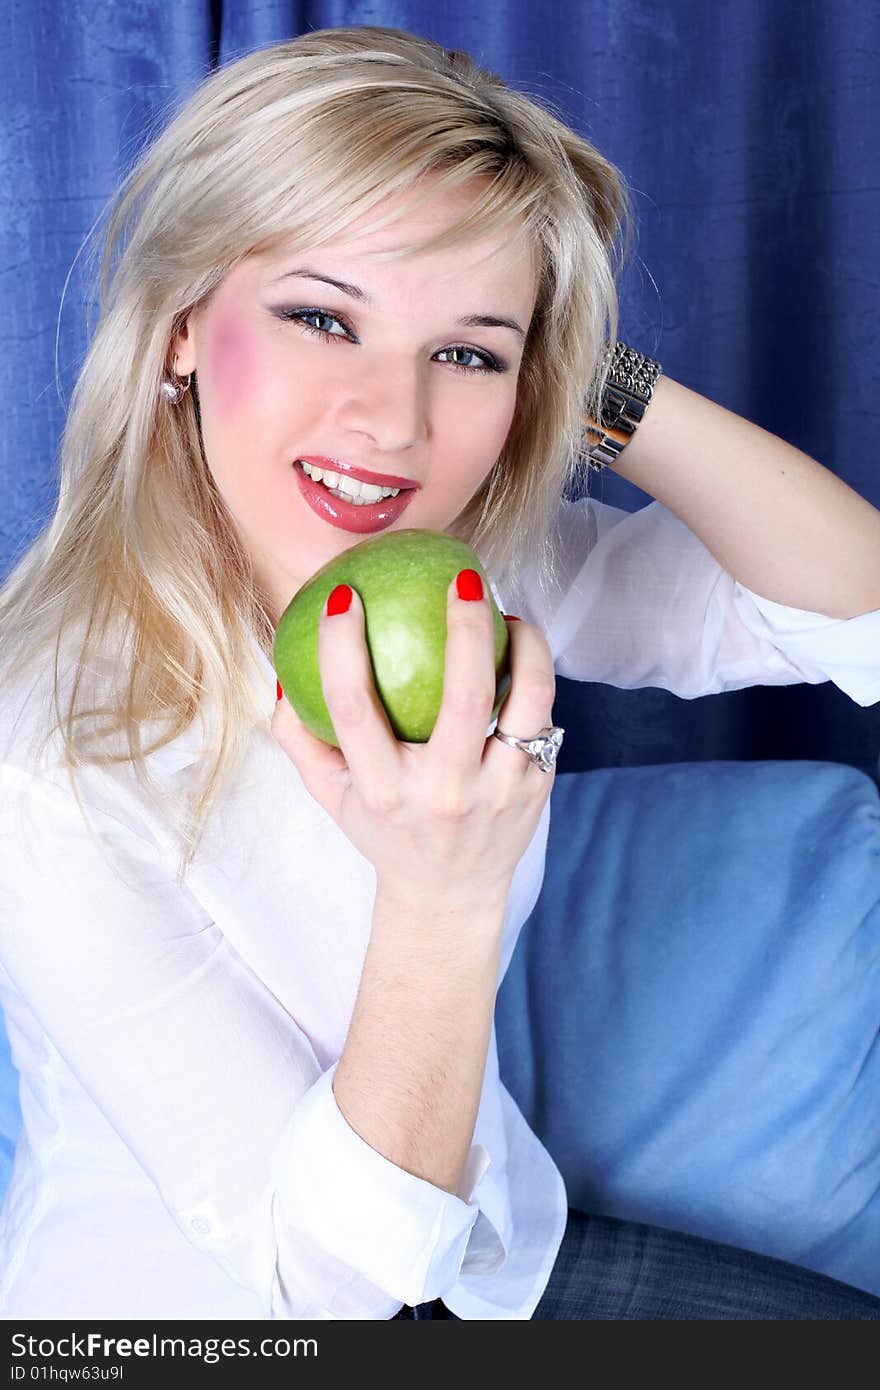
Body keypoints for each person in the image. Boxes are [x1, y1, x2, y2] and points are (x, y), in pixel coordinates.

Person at [0, 25, 878, 1322]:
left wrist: (599, 380)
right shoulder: (43, 746)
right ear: (183, 328)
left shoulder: (479, 568)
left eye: (466, 352)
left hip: (486, 1262)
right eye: (320, 316)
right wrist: (441, 898)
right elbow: (336, 1279)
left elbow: (851, 608)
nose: (394, 419)